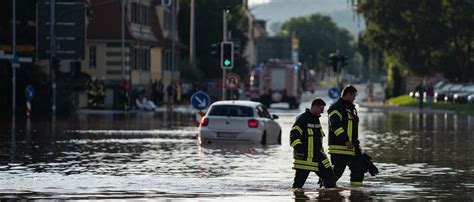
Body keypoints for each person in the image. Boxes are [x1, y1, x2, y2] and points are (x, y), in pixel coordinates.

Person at [290, 98, 336, 190]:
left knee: (331, 180)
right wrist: (299, 149)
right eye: (321, 109)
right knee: (297, 187)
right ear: (315, 107)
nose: (322, 112)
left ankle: (324, 197)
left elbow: (318, 141)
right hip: (304, 160)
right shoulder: (302, 119)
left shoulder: (316, 120)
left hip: (318, 158)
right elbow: (294, 136)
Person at [327, 85, 364, 186]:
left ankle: (356, 193)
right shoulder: (335, 108)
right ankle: (324, 190)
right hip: (339, 147)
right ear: (348, 94)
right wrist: (346, 140)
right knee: (337, 173)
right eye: (353, 96)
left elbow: (353, 130)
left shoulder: (351, 109)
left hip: (352, 148)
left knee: (359, 169)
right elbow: (335, 126)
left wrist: (357, 147)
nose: (354, 98)